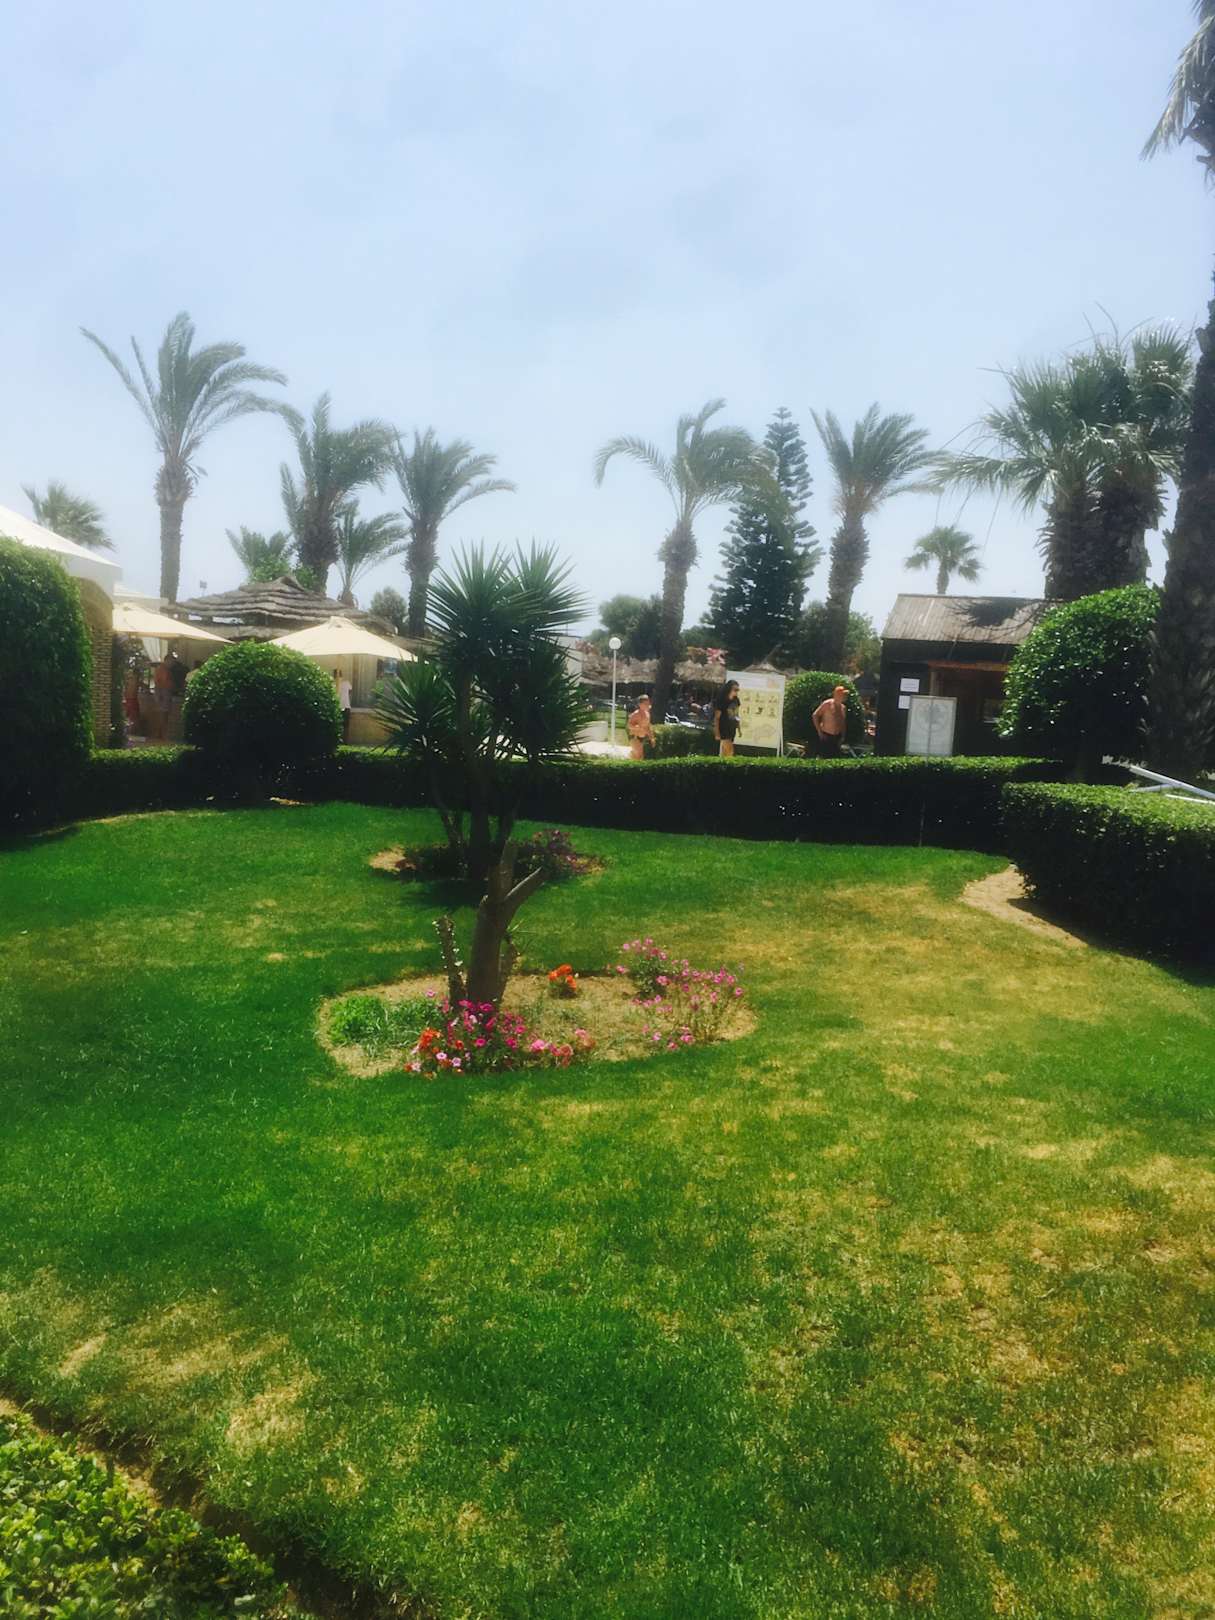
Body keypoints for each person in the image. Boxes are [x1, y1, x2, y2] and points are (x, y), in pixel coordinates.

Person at [812, 685, 849, 758]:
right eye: (843, 695)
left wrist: (843, 736)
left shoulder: (843, 708)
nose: (845, 697)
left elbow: (843, 723)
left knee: (835, 758)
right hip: (826, 736)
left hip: (837, 737)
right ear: (837, 695)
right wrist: (819, 731)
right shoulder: (827, 704)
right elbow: (815, 715)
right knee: (824, 758)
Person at [713, 679, 741, 758]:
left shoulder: (736, 700)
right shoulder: (722, 700)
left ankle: (722, 764)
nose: (737, 691)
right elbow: (717, 718)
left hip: (732, 727)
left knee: (725, 752)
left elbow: (736, 714)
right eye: (735, 689)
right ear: (729, 689)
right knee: (730, 750)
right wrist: (716, 732)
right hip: (723, 727)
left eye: (738, 689)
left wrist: (739, 728)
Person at [627, 693, 655, 759]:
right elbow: (629, 725)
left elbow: (648, 727)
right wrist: (636, 727)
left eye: (648, 703)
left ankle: (630, 757)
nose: (648, 705)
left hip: (642, 737)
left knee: (640, 756)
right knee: (638, 755)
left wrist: (652, 738)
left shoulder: (647, 714)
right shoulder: (636, 714)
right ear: (640, 704)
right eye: (645, 704)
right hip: (635, 737)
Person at [151, 656, 173, 741]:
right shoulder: (162, 669)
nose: (172, 663)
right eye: (171, 661)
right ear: (167, 660)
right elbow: (158, 682)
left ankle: (160, 733)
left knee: (164, 714)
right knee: (162, 714)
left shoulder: (166, 670)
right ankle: (161, 734)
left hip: (164, 692)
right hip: (163, 693)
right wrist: (159, 695)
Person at [336, 667, 353, 740]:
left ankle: (338, 739)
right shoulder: (346, 683)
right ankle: (345, 740)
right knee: (346, 725)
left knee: (338, 724)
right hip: (346, 706)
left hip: (338, 706)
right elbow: (350, 691)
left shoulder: (334, 684)